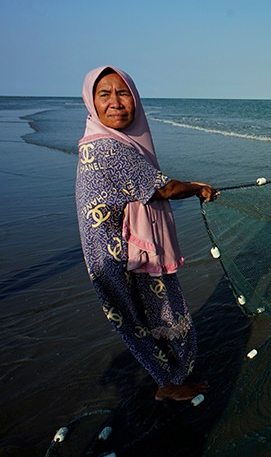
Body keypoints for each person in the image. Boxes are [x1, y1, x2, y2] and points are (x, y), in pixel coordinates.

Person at [75, 66, 218, 402]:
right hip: (119, 255)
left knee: (140, 316)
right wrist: (198, 188)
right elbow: (163, 189)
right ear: (91, 102)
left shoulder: (104, 141)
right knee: (146, 315)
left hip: (116, 248)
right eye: (104, 94)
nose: (116, 102)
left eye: (123, 93)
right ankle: (168, 384)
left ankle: (167, 379)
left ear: (136, 99)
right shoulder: (106, 148)